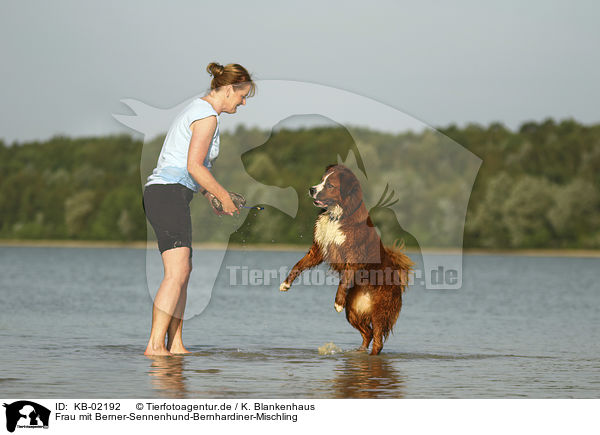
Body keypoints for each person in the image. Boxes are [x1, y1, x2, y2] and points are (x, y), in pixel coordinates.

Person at [142, 62, 255, 356]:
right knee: (176, 272)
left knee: (184, 270)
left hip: (172, 195)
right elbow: (193, 166)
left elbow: (191, 168)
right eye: (243, 96)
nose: (243, 102)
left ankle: (175, 344)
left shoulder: (199, 110)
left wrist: (212, 196)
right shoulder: (207, 117)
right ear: (229, 89)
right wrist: (224, 196)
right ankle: (155, 346)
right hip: (166, 195)